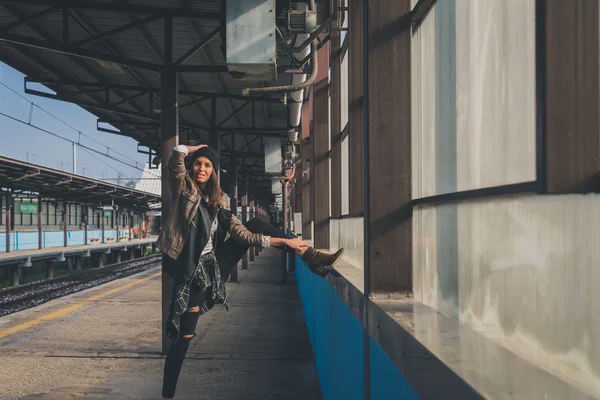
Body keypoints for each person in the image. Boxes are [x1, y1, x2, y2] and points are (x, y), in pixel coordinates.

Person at [156, 143, 345, 399]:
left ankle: (308, 255)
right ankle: (167, 394)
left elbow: (242, 235)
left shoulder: (219, 200)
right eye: (198, 163)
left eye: (207, 165)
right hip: (189, 272)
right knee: (184, 338)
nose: (201, 169)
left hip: (212, 264)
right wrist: (192, 147)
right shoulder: (184, 188)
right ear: (192, 166)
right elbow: (175, 159)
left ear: (214, 171)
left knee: (254, 224)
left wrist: (286, 242)